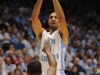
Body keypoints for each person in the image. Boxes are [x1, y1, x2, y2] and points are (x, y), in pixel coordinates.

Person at [32, 0, 69, 75]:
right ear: (48, 21)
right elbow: (34, 19)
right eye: (51, 17)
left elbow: (61, 18)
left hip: (58, 72)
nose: (53, 19)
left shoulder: (62, 34)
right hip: (43, 73)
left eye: (56, 17)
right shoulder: (42, 33)